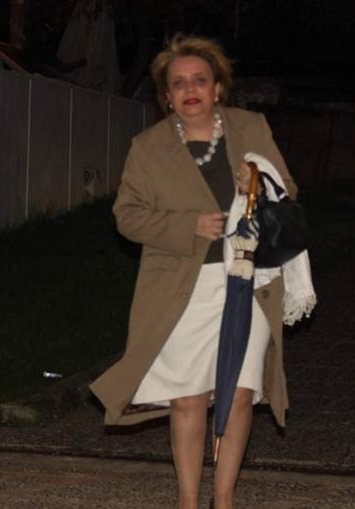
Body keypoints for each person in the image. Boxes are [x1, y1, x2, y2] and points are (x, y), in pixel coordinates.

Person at [90, 33, 298, 509]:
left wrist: (259, 182)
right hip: (182, 288)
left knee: (239, 394)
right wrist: (188, 225)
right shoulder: (149, 147)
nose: (190, 90)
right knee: (188, 398)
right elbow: (127, 216)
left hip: (247, 281)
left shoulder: (250, 127)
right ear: (166, 96)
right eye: (178, 83)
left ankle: (223, 499)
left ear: (217, 87)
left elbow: (287, 188)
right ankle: (188, 501)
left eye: (200, 80)